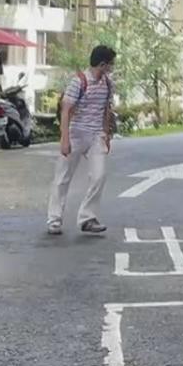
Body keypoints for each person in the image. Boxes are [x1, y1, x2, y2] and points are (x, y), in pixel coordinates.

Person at [46, 45, 117, 235]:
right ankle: (54, 219)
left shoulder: (108, 84)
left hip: (96, 136)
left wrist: (106, 135)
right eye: (110, 65)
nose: (112, 68)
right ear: (102, 64)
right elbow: (66, 110)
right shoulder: (79, 81)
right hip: (76, 133)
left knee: (99, 175)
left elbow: (106, 109)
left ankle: (87, 217)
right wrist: (64, 139)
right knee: (62, 177)